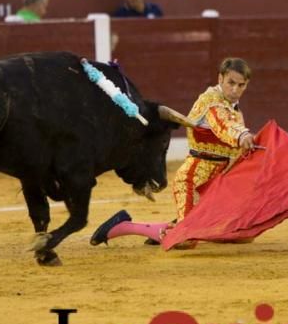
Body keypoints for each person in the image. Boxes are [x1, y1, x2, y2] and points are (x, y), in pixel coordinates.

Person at [90, 57, 255, 246]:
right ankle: (125, 226)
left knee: (241, 235)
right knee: (187, 241)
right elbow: (223, 124)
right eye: (231, 83)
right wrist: (242, 135)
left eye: (241, 85)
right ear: (220, 79)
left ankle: (175, 227)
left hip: (218, 182)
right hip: (194, 180)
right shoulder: (212, 102)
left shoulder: (233, 107)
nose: (235, 90)